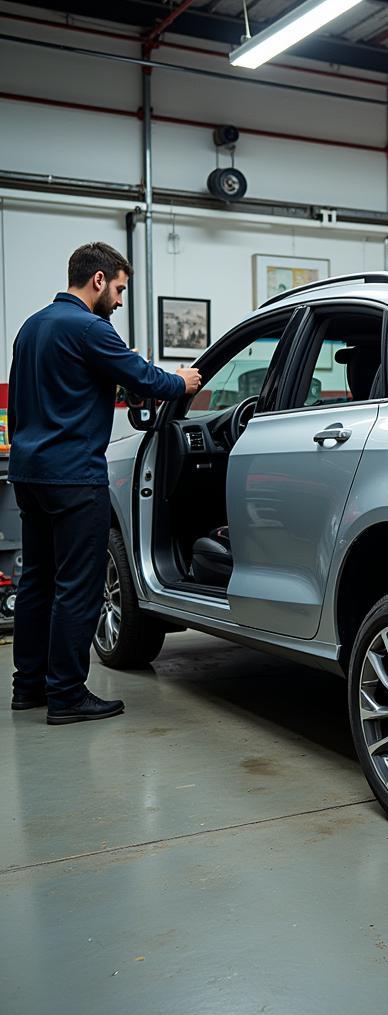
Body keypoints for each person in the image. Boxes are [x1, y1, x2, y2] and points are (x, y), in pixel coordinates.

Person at [8, 242, 202, 724]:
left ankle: (27, 687)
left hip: (30, 474)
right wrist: (184, 380)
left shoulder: (32, 327)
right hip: (74, 477)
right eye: (118, 289)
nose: (118, 300)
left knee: (37, 583)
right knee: (78, 586)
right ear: (98, 280)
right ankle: (68, 695)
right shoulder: (89, 328)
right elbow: (150, 382)